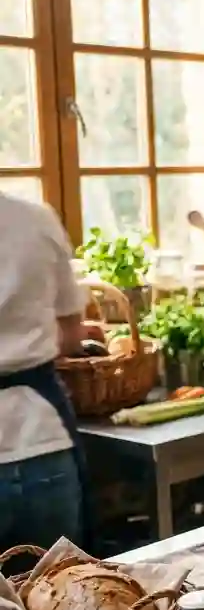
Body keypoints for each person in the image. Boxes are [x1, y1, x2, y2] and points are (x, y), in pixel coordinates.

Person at [0, 192, 89, 552]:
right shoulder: (36, 218)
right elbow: (71, 334)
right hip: (43, 443)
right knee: (62, 597)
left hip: (43, 442)